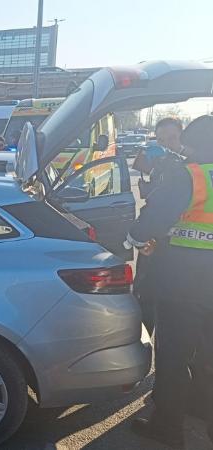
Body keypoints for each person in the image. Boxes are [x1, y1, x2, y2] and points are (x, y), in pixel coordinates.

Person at [128, 115, 213, 448]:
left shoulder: (190, 175)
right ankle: (202, 410)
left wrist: (135, 238)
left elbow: (152, 219)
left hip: (184, 283)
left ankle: (167, 426)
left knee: (174, 356)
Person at [132, 118, 185, 334]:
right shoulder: (160, 165)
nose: (167, 145)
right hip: (155, 244)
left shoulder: (188, 169)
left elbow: (168, 209)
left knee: (172, 306)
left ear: (182, 138)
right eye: (161, 140)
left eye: (172, 138)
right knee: (144, 294)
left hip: (177, 248)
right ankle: (144, 341)